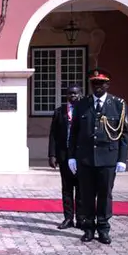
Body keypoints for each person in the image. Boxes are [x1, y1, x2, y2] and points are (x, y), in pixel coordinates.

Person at [67, 68, 128, 245]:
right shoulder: (82, 104)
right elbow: (74, 133)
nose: (97, 86)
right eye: (94, 83)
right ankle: (88, 228)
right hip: (86, 159)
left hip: (108, 159)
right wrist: (72, 156)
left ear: (107, 84)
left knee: (105, 195)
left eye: (101, 83)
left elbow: (123, 134)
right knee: (86, 196)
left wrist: (122, 159)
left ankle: (103, 228)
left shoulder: (118, 104)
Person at [48, 84, 83, 229]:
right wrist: (52, 154)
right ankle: (68, 218)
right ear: (66, 95)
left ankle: (81, 219)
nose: (73, 96)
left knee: (81, 190)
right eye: (70, 93)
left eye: (75, 93)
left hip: (81, 157)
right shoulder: (59, 112)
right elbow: (53, 135)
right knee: (67, 189)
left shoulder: (85, 111)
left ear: (80, 94)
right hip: (64, 156)